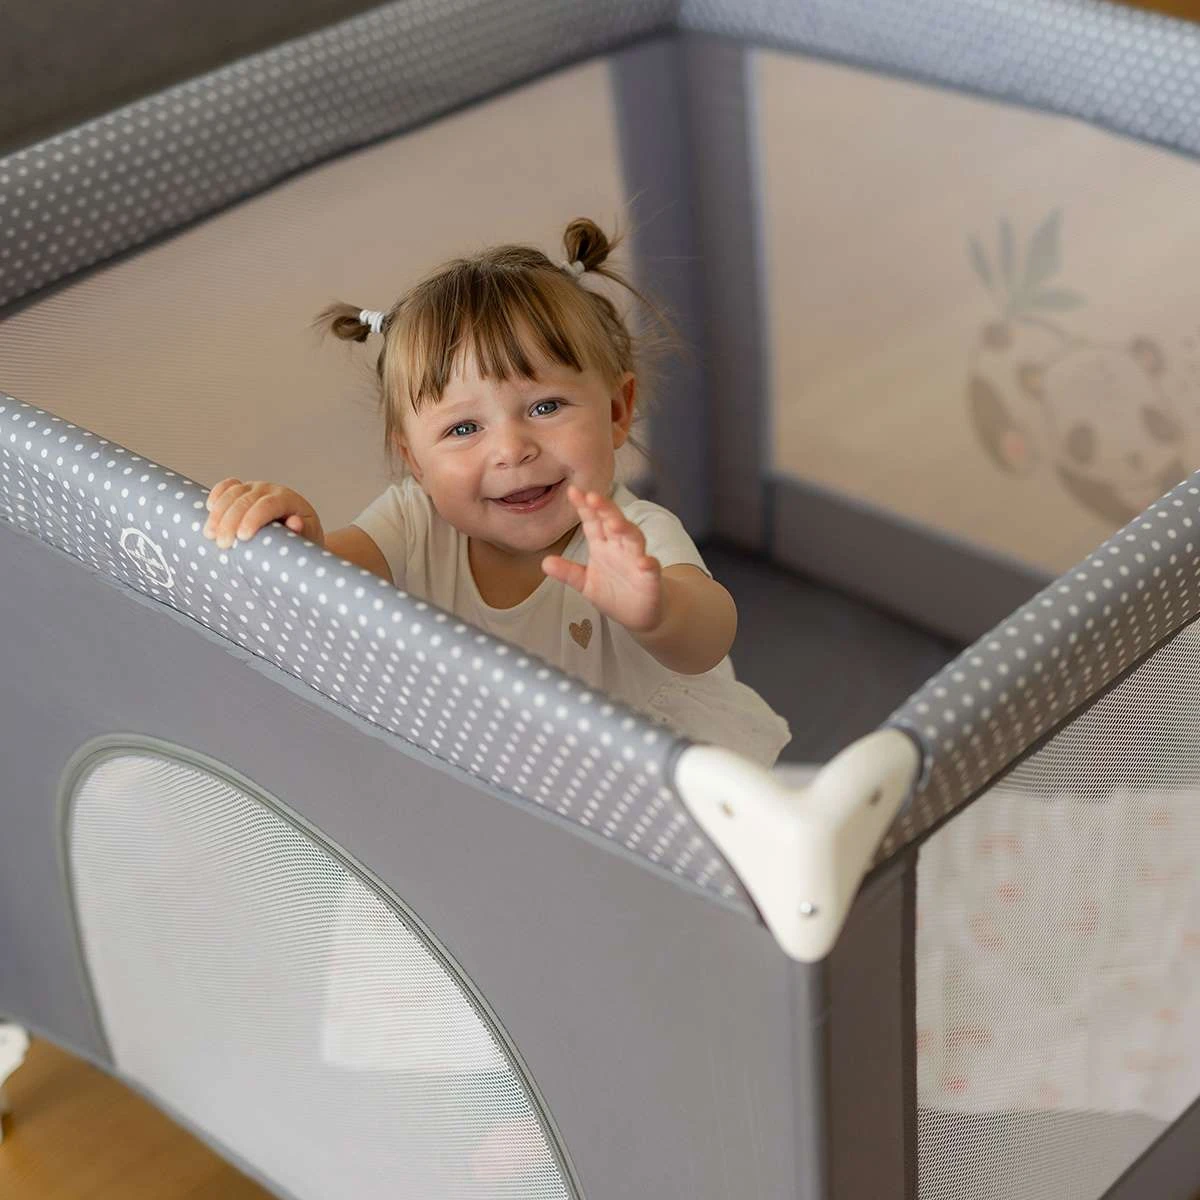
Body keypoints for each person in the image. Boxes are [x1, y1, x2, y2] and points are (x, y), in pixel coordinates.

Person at [203, 217, 790, 767]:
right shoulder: (412, 522)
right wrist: (300, 540)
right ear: (414, 460)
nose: (512, 449)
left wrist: (658, 612)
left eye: (545, 406)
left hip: (632, 772)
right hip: (491, 765)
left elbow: (708, 638)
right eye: (463, 429)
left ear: (617, 410)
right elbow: (330, 584)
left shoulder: (628, 537)